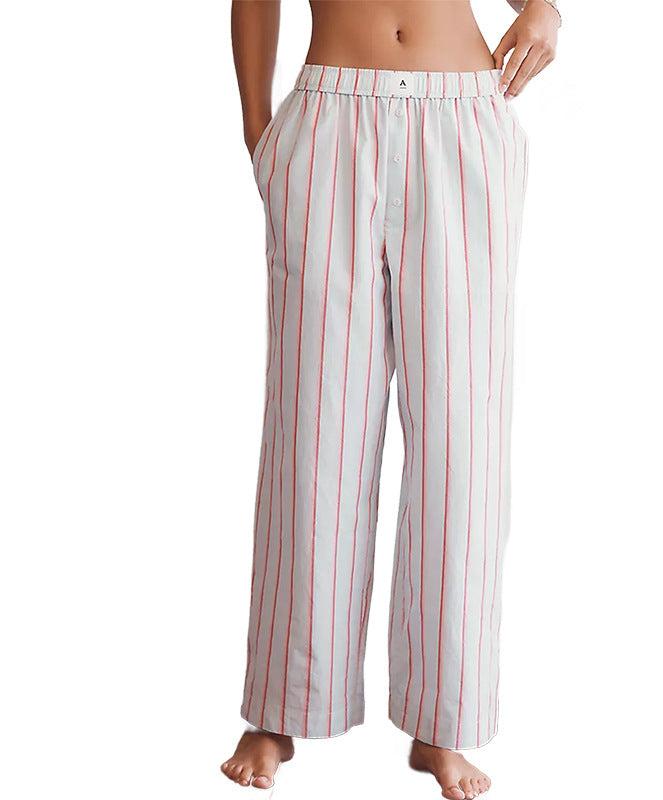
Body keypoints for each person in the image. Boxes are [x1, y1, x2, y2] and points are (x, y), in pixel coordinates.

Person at [220, 1, 559, 797]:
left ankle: (444, 721)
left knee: (462, 441)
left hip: (462, 117)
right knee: (313, 430)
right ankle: (279, 705)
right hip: (329, 116)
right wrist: (259, 133)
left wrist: (544, 9)